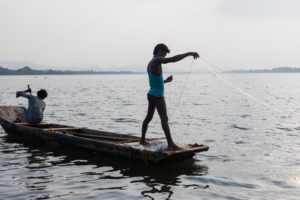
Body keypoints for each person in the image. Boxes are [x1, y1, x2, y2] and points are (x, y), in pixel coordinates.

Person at [140, 43, 199, 150]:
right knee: (164, 119)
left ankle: (142, 140)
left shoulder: (151, 63)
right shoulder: (156, 60)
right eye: (163, 53)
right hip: (158, 96)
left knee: (148, 118)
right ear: (158, 50)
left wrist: (165, 81)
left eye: (165, 54)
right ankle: (170, 144)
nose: (164, 56)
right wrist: (189, 53)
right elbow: (173, 59)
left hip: (152, 94)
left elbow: (154, 82)